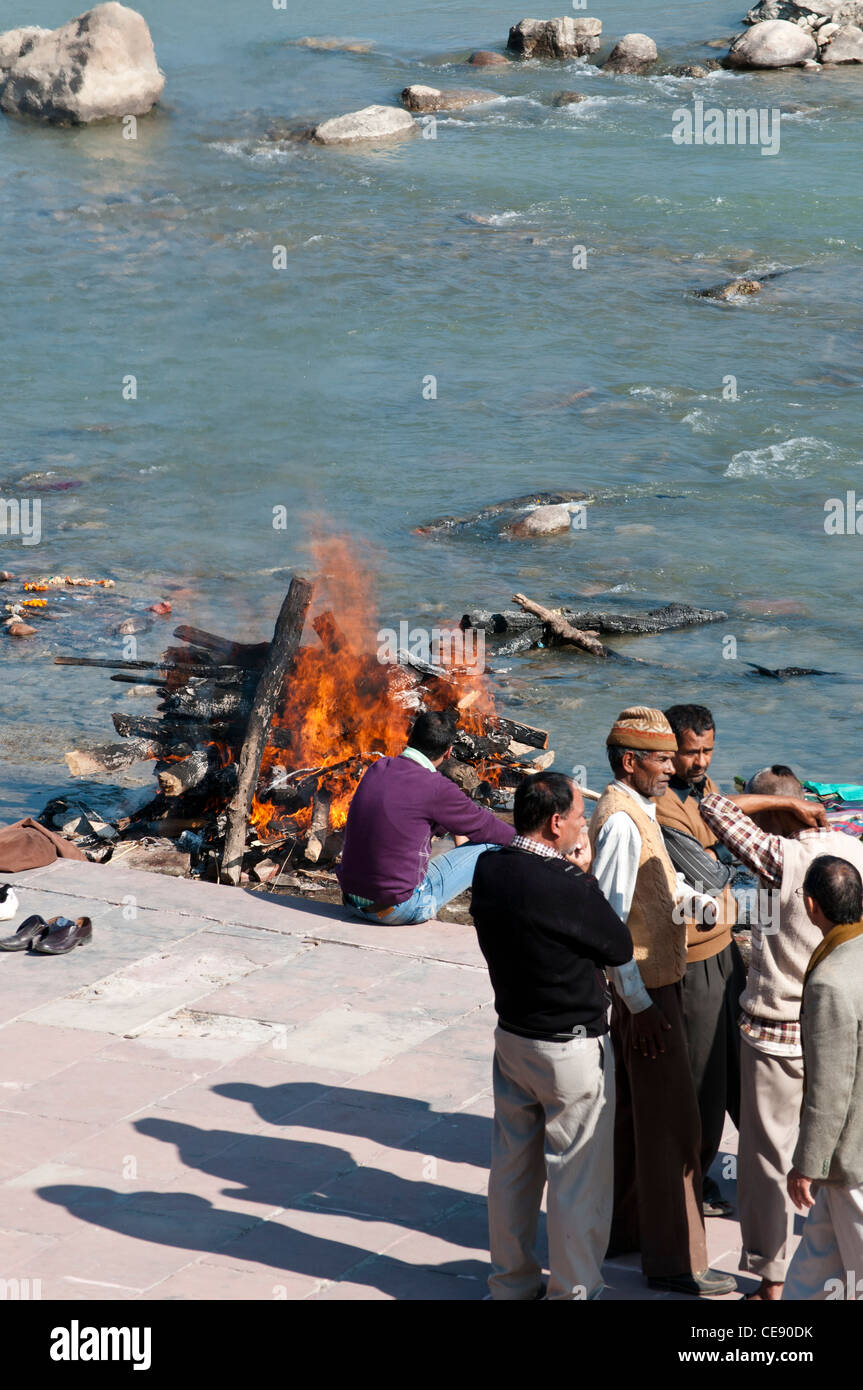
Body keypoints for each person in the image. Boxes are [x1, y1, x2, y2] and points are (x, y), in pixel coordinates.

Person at [699, 765, 863, 1300]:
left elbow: (713, 806)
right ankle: (821, 1267)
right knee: (835, 1149)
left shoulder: (781, 856)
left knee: (768, 1159)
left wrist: (768, 807)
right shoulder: (852, 851)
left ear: (776, 814)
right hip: (843, 1028)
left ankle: (771, 1278)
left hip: (776, 1032)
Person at [588, 706, 736, 1297]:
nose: (674, 767)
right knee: (675, 1124)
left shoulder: (639, 809)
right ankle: (677, 1261)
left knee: (634, 1119)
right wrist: (637, 1002)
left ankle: (623, 1231)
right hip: (648, 992)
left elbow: (661, 889)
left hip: (651, 985)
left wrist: (702, 906)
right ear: (630, 761)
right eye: (662, 758)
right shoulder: (622, 821)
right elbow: (607, 919)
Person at [470, 771, 633, 1300]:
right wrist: (583, 875)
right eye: (580, 818)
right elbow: (618, 945)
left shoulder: (490, 868)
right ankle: (575, 1289)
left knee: (513, 1170)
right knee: (577, 1178)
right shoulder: (567, 886)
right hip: (570, 1047)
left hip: (513, 1036)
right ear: (556, 823)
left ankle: (511, 1284)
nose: (585, 828)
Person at [656, 704, 745, 1217]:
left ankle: (738, 1164)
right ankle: (690, 1179)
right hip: (695, 954)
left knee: (735, 1068)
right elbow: (713, 876)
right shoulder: (665, 805)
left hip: (726, 944)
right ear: (669, 752)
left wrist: (720, 852)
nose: (702, 761)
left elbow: (727, 850)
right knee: (702, 1077)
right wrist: (721, 854)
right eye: (692, 752)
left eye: (708, 750)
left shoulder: (704, 789)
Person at [338, 710, 515, 924]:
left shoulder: (378, 768)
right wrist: (536, 843)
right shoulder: (436, 787)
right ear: (449, 752)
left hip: (351, 901)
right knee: (491, 846)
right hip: (397, 909)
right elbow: (487, 826)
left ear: (410, 737)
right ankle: (508, 913)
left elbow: (411, 816)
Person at [783, 856, 863, 1301]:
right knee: (816, 1267)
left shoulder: (830, 981)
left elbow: (830, 1089)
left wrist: (806, 1165)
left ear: (812, 906)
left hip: (851, 1157)